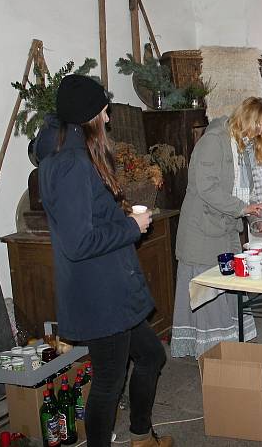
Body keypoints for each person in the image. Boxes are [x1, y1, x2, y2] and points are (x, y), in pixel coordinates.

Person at [36, 75, 170, 447]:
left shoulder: (69, 157)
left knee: (150, 356)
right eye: (104, 112)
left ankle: (142, 435)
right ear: (88, 117)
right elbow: (79, 243)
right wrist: (130, 226)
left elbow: (86, 221)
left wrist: (118, 217)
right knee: (109, 382)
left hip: (111, 290)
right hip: (101, 296)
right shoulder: (72, 164)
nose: (108, 119)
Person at [171, 97, 262, 358]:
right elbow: (207, 188)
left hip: (226, 232)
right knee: (207, 297)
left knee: (226, 294)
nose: (259, 133)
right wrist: (242, 210)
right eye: (259, 125)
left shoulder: (246, 148)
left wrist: (259, 222)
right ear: (246, 118)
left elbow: (249, 196)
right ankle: (215, 359)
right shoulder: (213, 141)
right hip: (201, 233)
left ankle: (227, 356)